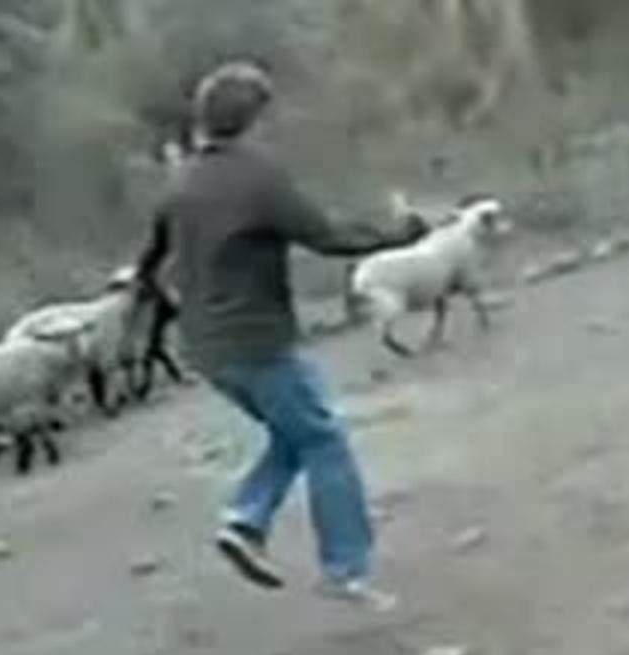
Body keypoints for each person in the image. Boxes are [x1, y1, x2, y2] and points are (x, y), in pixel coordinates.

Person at [134, 61, 428, 612]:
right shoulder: (258, 177)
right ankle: (346, 569)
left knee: (296, 433)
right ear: (255, 118)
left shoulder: (180, 182)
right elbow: (330, 237)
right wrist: (403, 234)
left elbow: (148, 264)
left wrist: (160, 305)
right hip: (259, 342)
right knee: (324, 439)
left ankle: (246, 520)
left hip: (207, 349)